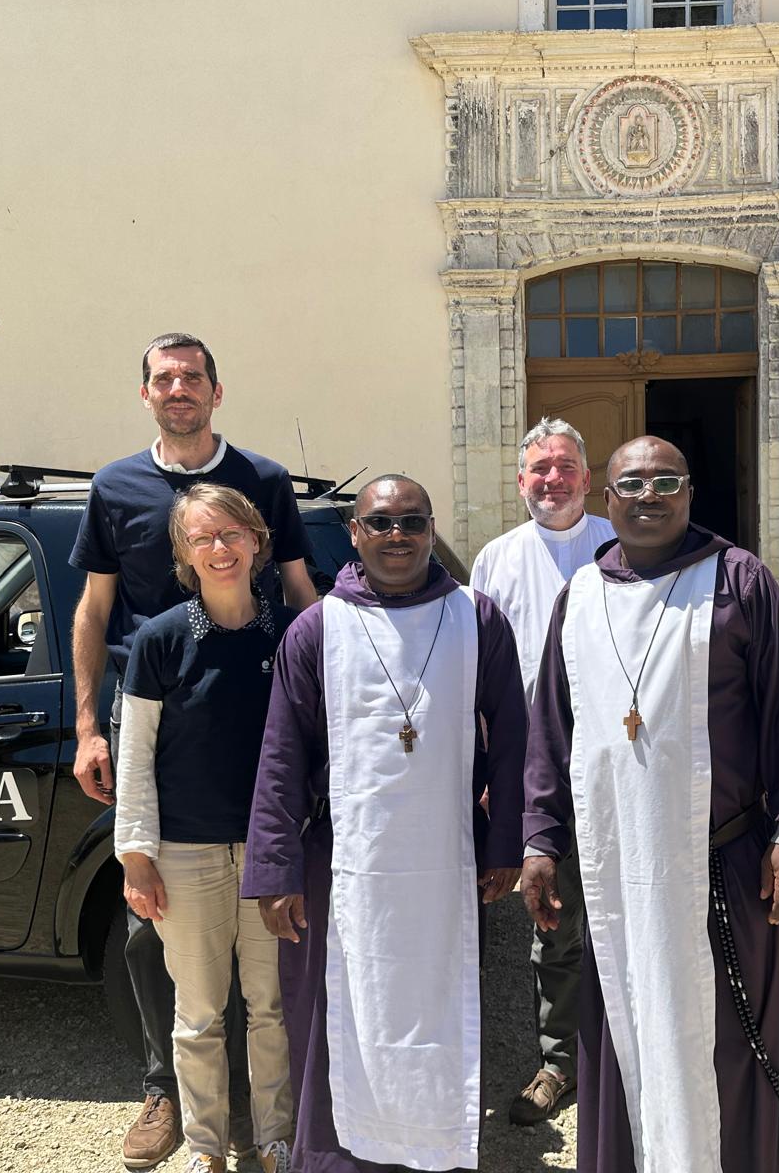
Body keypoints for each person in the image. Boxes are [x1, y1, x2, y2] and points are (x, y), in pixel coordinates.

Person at [522, 436, 779, 1173]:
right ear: (608, 499)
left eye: (666, 481)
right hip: (618, 873)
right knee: (628, 1032)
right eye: (632, 484)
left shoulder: (739, 581)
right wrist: (540, 840)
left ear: (690, 492)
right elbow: (551, 730)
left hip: (725, 864)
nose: (648, 495)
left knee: (733, 1043)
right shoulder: (581, 597)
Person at [70, 332, 318, 1169]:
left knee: (268, 985)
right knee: (161, 949)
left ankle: (271, 1126)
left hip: (254, 756)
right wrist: (88, 727)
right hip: (160, 727)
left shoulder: (265, 479)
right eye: (164, 378)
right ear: (146, 393)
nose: (178, 389)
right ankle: (169, 1099)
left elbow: (300, 592)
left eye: (193, 377)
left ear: (217, 390)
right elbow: (94, 609)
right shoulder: (114, 487)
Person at [242, 474, 527, 1172]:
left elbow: (514, 738)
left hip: (446, 862)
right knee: (343, 1010)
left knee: (438, 1004)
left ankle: (436, 1151)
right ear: (354, 533)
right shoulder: (319, 628)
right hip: (345, 863)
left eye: (412, 522)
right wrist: (275, 871)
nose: (396, 536)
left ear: (431, 530)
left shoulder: (476, 618)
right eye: (380, 523)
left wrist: (506, 843)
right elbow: (282, 753)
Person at [114, 484, 298, 1173]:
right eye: (202, 537)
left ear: (256, 541)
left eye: (231, 533)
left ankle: (276, 1138)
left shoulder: (290, 635)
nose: (219, 548)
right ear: (184, 553)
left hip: (270, 854)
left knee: (271, 1007)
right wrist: (136, 856)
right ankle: (205, 1147)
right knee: (198, 1016)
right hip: (185, 855)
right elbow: (135, 755)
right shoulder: (160, 640)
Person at [469, 417, 615, 1125]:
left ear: (587, 477)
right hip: (536, 771)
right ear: (520, 480)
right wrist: (489, 771)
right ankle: (562, 1062)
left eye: (564, 467)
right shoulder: (495, 561)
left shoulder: (621, 545)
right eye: (539, 468)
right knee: (552, 918)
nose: (552, 479)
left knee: (630, 912)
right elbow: (480, 678)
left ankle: (629, 1056)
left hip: (620, 764)